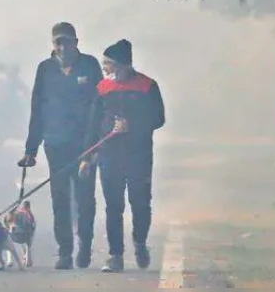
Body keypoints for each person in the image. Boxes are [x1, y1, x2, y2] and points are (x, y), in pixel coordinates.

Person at [18, 22, 103, 270]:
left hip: (85, 145)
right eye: (58, 42)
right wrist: (30, 149)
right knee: (60, 198)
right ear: (53, 44)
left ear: (76, 41)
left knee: (85, 198)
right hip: (55, 144)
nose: (62, 46)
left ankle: (85, 246)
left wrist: (94, 145)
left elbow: (98, 107)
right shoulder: (45, 69)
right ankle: (65, 251)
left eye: (67, 41)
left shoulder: (90, 65)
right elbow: (37, 109)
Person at [79, 39, 165, 273]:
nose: (104, 68)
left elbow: (159, 118)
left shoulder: (148, 86)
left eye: (107, 63)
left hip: (138, 154)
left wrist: (133, 125)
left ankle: (139, 242)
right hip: (109, 155)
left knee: (140, 202)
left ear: (122, 65)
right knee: (113, 206)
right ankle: (115, 255)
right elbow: (93, 124)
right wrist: (87, 157)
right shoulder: (102, 88)